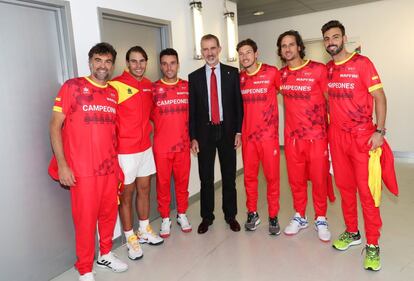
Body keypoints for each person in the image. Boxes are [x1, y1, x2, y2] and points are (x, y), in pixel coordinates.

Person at [322, 20, 398, 270]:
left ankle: (373, 244)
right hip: (337, 138)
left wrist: (379, 130)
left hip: (362, 137)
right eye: (327, 38)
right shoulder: (328, 69)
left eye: (335, 37)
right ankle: (353, 232)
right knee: (345, 188)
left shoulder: (362, 64)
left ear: (344, 38)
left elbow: (380, 98)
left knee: (367, 193)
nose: (331, 42)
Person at [48, 42, 128, 281]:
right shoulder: (72, 87)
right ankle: (84, 268)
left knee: (108, 214)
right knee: (84, 220)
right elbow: (54, 126)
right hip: (82, 171)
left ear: (112, 65)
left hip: (108, 168)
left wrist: (117, 166)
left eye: (107, 62)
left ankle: (105, 254)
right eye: (98, 60)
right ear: (90, 62)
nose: (102, 66)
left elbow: (112, 133)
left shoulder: (113, 93)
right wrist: (62, 164)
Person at [276, 30, 332, 241]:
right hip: (292, 139)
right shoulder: (281, 75)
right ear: (280, 51)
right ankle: (300, 216)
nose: (288, 49)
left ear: (299, 46)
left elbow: (331, 102)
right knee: (296, 180)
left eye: (291, 44)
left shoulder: (318, 69)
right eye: (283, 46)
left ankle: (321, 218)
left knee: (319, 180)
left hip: (317, 137)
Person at [109, 46, 163, 261]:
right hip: (125, 152)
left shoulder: (149, 86)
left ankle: (143, 229)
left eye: (142, 61)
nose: (138, 65)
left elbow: (153, 115)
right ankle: (130, 236)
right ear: (127, 63)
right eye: (134, 61)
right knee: (126, 195)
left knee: (144, 189)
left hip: (145, 148)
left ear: (146, 62)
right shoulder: (116, 85)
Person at [189, 34, 243, 234]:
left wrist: (239, 131)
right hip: (204, 133)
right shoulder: (194, 78)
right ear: (201, 52)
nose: (209, 53)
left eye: (213, 48)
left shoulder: (232, 73)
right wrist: (193, 136)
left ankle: (231, 216)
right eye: (205, 49)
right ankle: (207, 217)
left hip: (228, 131)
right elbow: (192, 111)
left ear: (219, 49)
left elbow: (238, 105)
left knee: (229, 176)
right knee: (206, 178)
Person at [236, 39, 281, 235]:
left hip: (269, 137)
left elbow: (284, 93)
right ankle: (252, 213)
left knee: (272, 178)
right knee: (249, 178)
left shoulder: (272, 72)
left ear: (256, 54)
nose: (245, 57)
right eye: (241, 54)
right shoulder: (239, 78)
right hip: (248, 138)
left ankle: (273, 216)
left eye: (248, 52)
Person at [151, 48, 192, 238]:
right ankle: (165, 218)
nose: (169, 67)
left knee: (183, 183)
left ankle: (181, 214)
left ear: (178, 64)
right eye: (165, 64)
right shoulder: (153, 90)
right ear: (161, 65)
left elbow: (195, 117)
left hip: (183, 146)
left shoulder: (187, 87)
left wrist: (194, 138)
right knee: (163, 184)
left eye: (172, 63)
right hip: (161, 147)